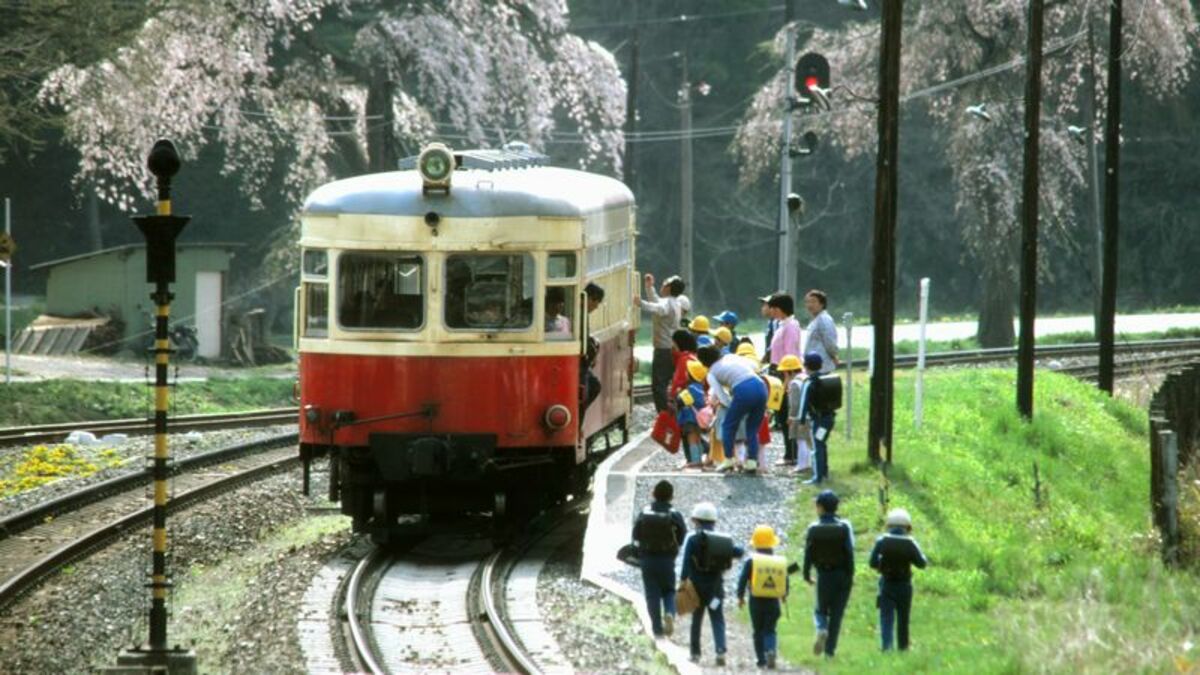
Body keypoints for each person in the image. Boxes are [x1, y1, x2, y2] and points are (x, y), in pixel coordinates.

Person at [680, 502, 744, 666]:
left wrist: (682, 582)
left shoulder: (693, 540)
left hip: (696, 589)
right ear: (713, 521)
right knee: (717, 618)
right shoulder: (723, 540)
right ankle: (720, 650)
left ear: (696, 521)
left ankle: (695, 654)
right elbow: (739, 552)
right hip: (715, 589)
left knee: (697, 619)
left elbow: (686, 563)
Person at [698, 345, 768, 474]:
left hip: (743, 390)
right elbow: (753, 366)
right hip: (761, 386)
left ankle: (728, 459)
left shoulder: (711, 373)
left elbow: (721, 396)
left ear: (703, 362)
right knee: (752, 428)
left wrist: (733, 407)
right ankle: (752, 462)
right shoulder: (730, 356)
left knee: (728, 426)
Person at [632, 480, 688, 637]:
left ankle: (657, 628)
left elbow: (635, 535)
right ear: (671, 497)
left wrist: (639, 553)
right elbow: (682, 536)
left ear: (653, 494)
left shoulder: (644, 512)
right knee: (669, 590)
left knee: (652, 593)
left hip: (647, 559)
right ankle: (669, 612)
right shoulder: (674, 514)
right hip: (667, 559)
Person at [803, 490, 854, 658]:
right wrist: (850, 575)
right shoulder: (844, 527)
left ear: (820, 507)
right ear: (836, 507)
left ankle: (821, 629)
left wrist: (806, 575)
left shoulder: (813, 529)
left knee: (820, 610)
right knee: (837, 615)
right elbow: (849, 552)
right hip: (842, 575)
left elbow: (808, 555)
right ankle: (830, 653)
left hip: (823, 575)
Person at [869, 508, 929, 652]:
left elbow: (872, 562)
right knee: (903, 618)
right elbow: (922, 563)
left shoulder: (882, 541)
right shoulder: (910, 542)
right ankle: (903, 647)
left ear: (889, 525)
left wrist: (881, 566)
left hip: (887, 583)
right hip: (904, 585)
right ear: (907, 526)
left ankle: (886, 646)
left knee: (886, 617)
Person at [737, 524, 789, 669]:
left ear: (755, 544)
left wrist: (740, 597)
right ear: (772, 543)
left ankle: (761, 660)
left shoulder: (751, 561)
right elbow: (785, 580)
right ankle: (771, 650)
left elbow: (742, 579)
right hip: (773, 602)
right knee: (770, 630)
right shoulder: (778, 561)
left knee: (758, 631)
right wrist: (784, 595)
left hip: (756, 602)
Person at [635, 274, 686, 413]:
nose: (662, 285)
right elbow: (658, 303)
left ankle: (664, 415)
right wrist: (649, 287)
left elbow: (656, 307)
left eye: (665, 284)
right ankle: (668, 413)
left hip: (663, 350)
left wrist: (640, 303)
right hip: (670, 348)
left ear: (669, 288)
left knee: (659, 385)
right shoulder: (675, 302)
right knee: (664, 383)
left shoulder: (667, 304)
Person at [767, 293, 802, 466]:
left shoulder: (791, 326)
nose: (770, 311)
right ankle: (789, 452)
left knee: (786, 414)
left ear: (780, 309)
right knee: (780, 415)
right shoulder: (781, 325)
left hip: (785, 373)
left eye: (773, 308)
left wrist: (788, 379)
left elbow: (790, 354)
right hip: (777, 371)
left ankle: (792, 453)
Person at [795, 352, 837, 485]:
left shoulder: (809, 383)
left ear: (806, 366)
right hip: (829, 419)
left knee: (817, 447)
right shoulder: (826, 379)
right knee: (822, 445)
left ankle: (817, 478)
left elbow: (803, 403)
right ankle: (824, 472)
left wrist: (801, 421)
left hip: (818, 421)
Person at [779, 355, 812, 476]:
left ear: (791, 371)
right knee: (807, 441)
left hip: (799, 417)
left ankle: (802, 465)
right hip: (809, 415)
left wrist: (791, 417)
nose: (784, 375)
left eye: (785, 373)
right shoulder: (806, 378)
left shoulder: (794, 383)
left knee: (800, 440)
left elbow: (794, 403)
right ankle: (808, 464)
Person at [676, 360, 709, 469]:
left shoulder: (691, 389)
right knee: (697, 439)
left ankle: (695, 460)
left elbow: (680, 400)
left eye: (687, 372)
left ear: (691, 375)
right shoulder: (700, 389)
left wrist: (678, 393)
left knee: (691, 439)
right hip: (698, 420)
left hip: (689, 419)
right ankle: (699, 459)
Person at [581, 283, 605, 418]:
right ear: (590, 299)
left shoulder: (581, 312)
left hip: (583, 361)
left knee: (594, 386)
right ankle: (578, 417)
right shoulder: (580, 313)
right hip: (579, 363)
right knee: (591, 388)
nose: (596, 307)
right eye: (597, 303)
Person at [803, 290, 840, 375]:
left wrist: (834, 356)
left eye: (813, 301)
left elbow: (830, 342)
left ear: (822, 304)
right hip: (812, 367)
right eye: (807, 302)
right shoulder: (815, 320)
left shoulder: (824, 319)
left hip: (822, 366)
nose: (810, 305)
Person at [668, 329, 700, 403]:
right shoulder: (692, 355)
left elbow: (679, 382)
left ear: (679, 343)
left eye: (674, 343)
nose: (672, 346)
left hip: (682, 401)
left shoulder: (684, 359)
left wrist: (671, 398)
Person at [758, 294, 779, 366]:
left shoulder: (778, 322)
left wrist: (764, 358)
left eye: (765, 305)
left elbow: (776, 343)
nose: (762, 308)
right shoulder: (771, 322)